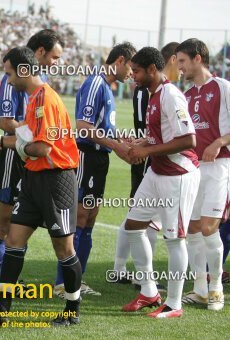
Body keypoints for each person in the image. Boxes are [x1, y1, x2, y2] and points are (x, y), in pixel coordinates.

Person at [0, 46, 81, 326]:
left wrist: (19, 146)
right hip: (33, 179)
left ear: (23, 70)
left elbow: (42, 148)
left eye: (9, 73)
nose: (7, 80)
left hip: (56, 181)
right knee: (14, 240)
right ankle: (0, 309)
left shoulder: (46, 99)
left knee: (64, 249)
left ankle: (72, 311)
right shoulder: (34, 98)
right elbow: (26, 142)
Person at [122, 47, 200, 318]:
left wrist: (146, 151)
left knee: (175, 240)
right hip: (157, 172)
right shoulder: (151, 94)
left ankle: (174, 304)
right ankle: (149, 291)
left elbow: (188, 140)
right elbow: (161, 136)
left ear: (152, 70)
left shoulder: (171, 95)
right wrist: (141, 143)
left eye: (138, 71)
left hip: (178, 175)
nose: (133, 75)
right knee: (133, 226)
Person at [55, 42, 136, 297]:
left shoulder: (108, 88)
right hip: (85, 157)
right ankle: (63, 282)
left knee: (89, 220)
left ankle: (77, 280)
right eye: (131, 67)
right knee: (79, 219)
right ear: (120, 60)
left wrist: (123, 141)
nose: (131, 73)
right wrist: (116, 145)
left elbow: (104, 128)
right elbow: (83, 126)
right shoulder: (96, 83)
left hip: (99, 160)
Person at [0, 28, 63, 292]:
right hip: (12, 155)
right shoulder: (12, 78)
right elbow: (5, 121)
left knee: (23, 221)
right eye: (53, 57)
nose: (56, 63)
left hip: (34, 157)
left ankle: (9, 280)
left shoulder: (42, 86)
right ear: (40, 52)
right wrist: (31, 131)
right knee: (5, 221)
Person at [113, 42, 180, 286]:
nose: (181, 69)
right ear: (171, 60)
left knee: (140, 218)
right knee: (145, 219)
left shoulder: (161, 90)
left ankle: (126, 271)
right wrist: (141, 149)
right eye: (179, 62)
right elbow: (148, 127)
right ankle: (139, 277)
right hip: (148, 158)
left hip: (148, 153)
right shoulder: (149, 90)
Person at [177, 38, 230, 311]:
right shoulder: (185, 96)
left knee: (209, 227)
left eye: (183, 61)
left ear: (198, 58)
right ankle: (199, 288)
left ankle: (216, 287)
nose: (180, 67)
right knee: (194, 229)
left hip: (220, 166)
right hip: (194, 169)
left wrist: (219, 142)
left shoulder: (223, 88)